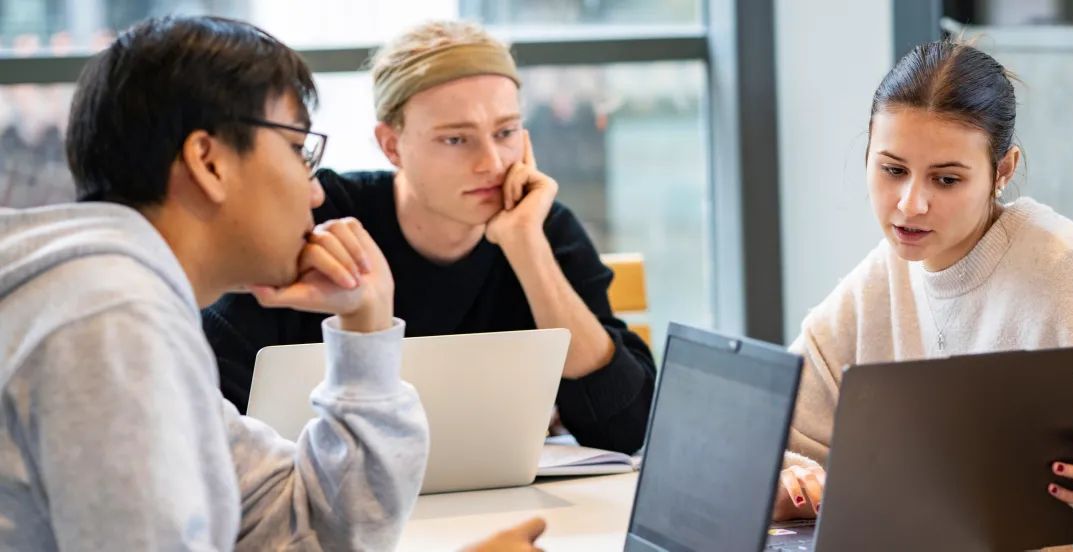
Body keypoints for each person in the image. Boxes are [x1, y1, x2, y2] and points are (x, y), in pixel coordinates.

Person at [0, 15, 542, 551]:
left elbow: (308, 527)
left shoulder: (114, 300)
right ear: (208, 162)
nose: (314, 193)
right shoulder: (108, 321)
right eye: (298, 151)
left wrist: (365, 329)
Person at [770, 39, 1073, 549]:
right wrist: (786, 480)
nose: (910, 203)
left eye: (946, 179)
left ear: (1004, 170)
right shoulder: (885, 275)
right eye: (892, 169)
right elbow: (776, 428)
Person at [202, 20, 656, 455]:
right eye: (456, 140)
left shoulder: (542, 228)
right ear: (392, 146)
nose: (492, 162)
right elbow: (208, 405)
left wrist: (527, 249)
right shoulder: (317, 218)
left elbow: (627, 428)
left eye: (505, 132)